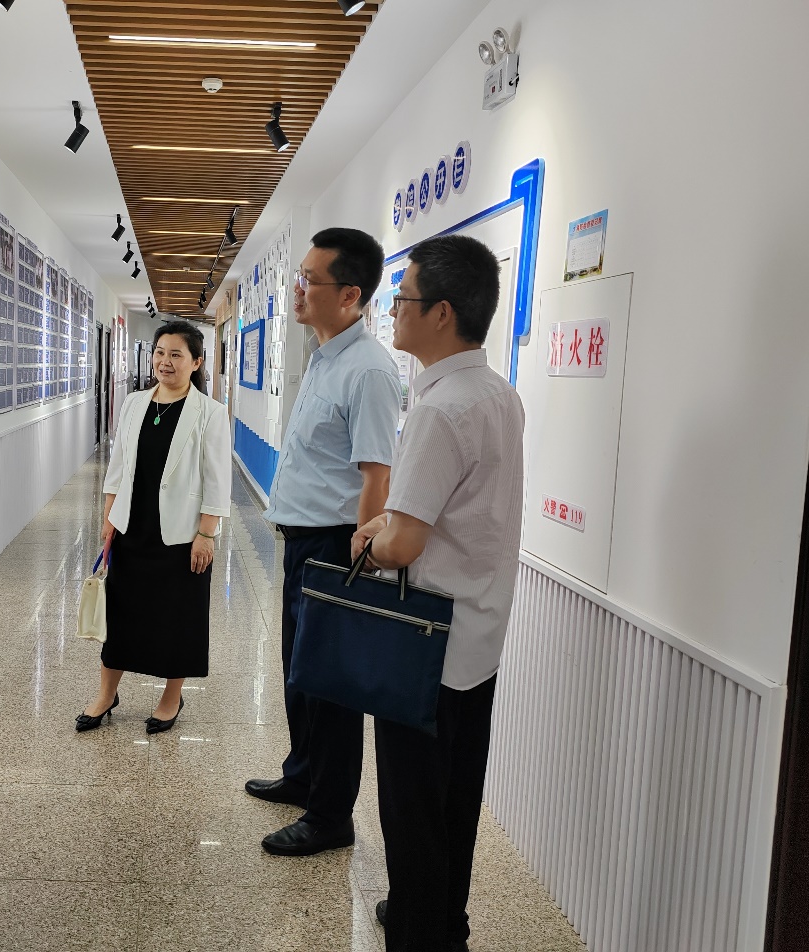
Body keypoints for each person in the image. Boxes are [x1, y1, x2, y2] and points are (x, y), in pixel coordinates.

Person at [351, 234, 524, 952]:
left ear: (443, 312)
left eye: (404, 299)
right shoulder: (499, 395)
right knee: (455, 802)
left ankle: (421, 932)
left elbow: (404, 545)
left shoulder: (440, 409)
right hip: (478, 638)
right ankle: (445, 923)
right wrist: (394, 524)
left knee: (414, 813)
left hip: (427, 649)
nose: (394, 310)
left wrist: (369, 540)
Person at [245, 228, 403, 856]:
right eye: (300, 276)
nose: (298, 289)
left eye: (310, 280)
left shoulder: (369, 370)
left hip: (337, 547)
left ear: (351, 294)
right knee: (301, 672)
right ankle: (304, 775)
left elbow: (376, 476)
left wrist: (358, 562)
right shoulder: (324, 356)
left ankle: (331, 815)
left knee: (331, 685)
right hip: (303, 544)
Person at [78, 320, 231, 734]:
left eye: (176, 354)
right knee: (121, 613)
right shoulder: (134, 403)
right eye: (160, 352)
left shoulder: (210, 413)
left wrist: (206, 534)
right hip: (132, 527)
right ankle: (106, 694)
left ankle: (171, 697)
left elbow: (217, 480)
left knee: (178, 617)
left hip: (181, 535)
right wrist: (108, 519)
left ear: (196, 362)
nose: (165, 361)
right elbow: (117, 468)